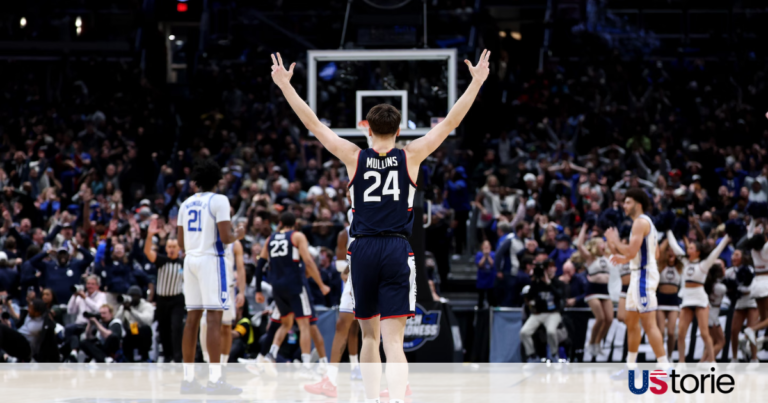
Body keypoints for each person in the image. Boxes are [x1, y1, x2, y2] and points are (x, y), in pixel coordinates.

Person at [270, 48, 490, 403]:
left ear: (366, 128)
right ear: (400, 129)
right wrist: (477, 81)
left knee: (369, 338)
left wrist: (285, 86)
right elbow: (450, 123)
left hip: (363, 250)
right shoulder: (412, 155)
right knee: (393, 342)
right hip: (396, 248)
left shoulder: (353, 157)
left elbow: (313, 124)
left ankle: (371, 400)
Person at [177, 158, 245, 395]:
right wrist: (239, 234)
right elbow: (226, 238)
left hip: (190, 260)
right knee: (215, 319)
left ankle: (188, 379)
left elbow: (179, 242)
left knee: (192, 320)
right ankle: (215, 380)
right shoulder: (220, 200)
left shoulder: (185, 204)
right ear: (217, 180)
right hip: (210, 261)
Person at [254, 212, 330, 377]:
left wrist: (258, 290)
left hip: (277, 287)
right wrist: (321, 284)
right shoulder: (297, 236)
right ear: (295, 224)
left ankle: (270, 355)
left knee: (286, 323)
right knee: (305, 324)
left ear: (280, 223)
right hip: (295, 285)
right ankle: (306, 365)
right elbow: (308, 262)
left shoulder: (270, 239)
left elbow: (260, 265)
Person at [606, 188, 671, 375]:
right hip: (639, 273)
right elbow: (655, 253)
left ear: (638, 204)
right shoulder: (647, 223)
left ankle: (666, 367)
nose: (623, 206)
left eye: (627, 202)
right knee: (630, 321)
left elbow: (631, 252)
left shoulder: (640, 223)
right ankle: (631, 366)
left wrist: (615, 240)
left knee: (649, 324)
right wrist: (626, 259)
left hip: (643, 276)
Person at [666, 229, 730, 365]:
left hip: (700, 299)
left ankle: (712, 363)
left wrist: (727, 238)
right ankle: (681, 363)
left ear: (697, 252)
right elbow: (674, 245)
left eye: (691, 248)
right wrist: (668, 230)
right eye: (688, 247)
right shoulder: (685, 262)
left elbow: (716, 251)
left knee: (704, 333)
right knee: (681, 333)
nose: (687, 249)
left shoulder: (704, 264)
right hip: (687, 299)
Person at [143, 217, 185, 363]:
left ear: (179, 248)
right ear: (166, 248)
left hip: (177, 300)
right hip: (162, 300)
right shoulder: (161, 260)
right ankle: (167, 357)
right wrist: (149, 236)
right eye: (169, 247)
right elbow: (147, 252)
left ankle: (178, 357)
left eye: (175, 247)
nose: (172, 249)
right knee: (164, 330)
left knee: (177, 327)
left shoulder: (183, 263)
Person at [200, 239, 246, 366]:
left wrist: (241, 292)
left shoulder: (234, 244)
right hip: (209, 288)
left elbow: (241, 269)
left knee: (226, 327)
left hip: (228, 289)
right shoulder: (207, 239)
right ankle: (208, 360)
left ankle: (223, 363)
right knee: (205, 324)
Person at [575, 224, 615, 357]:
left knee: (609, 319)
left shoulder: (608, 256)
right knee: (600, 318)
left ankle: (598, 343)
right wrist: (584, 228)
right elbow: (580, 245)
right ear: (595, 246)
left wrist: (611, 233)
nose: (603, 245)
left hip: (605, 290)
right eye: (600, 243)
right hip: (592, 290)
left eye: (603, 243)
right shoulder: (590, 257)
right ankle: (591, 342)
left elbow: (614, 243)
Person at [520, 261, 564, 363]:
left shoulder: (558, 282)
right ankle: (532, 355)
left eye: (550, 267)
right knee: (524, 332)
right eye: (546, 268)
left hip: (553, 313)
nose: (548, 270)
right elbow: (528, 297)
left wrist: (549, 283)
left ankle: (554, 354)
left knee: (551, 331)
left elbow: (560, 296)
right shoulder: (536, 283)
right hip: (538, 313)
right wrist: (534, 280)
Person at [724, 250, 760, 367]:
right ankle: (734, 359)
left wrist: (735, 289)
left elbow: (749, 289)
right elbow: (726, 287)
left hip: (752, 301)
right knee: (734, 331)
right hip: (739, 303)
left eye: (737, 255)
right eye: (733, 254)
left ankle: (754, 359)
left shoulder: (749, 269)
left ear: (743, 257)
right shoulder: (729, 272)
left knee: (751, 330)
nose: (734, 257)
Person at [655, 237, 683, 361]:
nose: (671, 252)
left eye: (673, 251)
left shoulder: (680, 267)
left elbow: (683, 254)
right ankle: (661, 358)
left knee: (671, 332)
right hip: (661, 300)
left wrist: (673, 236)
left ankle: (670, 356)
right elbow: (659, 251)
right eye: (668, 251)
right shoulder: (661, 265)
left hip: (674, 301)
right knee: (660, 332)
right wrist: (667, 235)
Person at [743, 218, 768, 350]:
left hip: (756, 284)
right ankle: (751, 330)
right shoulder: (766, 248)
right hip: (766, 284)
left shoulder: (753, 250)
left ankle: (760, 339)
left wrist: (753, 220)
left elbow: (749, 236)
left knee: (764, 317)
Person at [115, 286, 155, 362]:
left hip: (142, 333)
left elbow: (147, 321)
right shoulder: (125, 305)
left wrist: (131, 310)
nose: (132, 298)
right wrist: (123, 309)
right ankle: (128, 359)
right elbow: (117, 321)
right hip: (130, 332)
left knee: (145, 329)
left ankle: (144, 356)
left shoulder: (147, 306)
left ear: (139, 296)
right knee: (125, 333)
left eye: (134, 296)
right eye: (130, 296)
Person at [705, 264, 727, 361]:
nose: (725, 269)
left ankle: (701, 362)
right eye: (723, 268)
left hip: (709, 312)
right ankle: (708, 361)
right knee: (721, 341)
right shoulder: (721, 287)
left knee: (711, 341)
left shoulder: (708, 283)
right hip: (713, 315)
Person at [475, 240, 496, 307]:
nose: (486, 247)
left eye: (488, 245)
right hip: (482, 279)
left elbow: (493, 264)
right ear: (482, 247)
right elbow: (479, 264)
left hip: (490, 279)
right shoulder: (479, 254)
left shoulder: (493, 254)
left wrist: (488, 256)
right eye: (485, 245)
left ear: (490, 246)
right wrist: (484, 256)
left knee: (491, 298)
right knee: (481, 297)